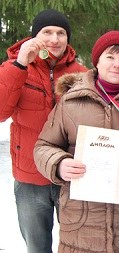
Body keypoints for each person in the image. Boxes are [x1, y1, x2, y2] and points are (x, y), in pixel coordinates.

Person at [33, 30, 119, 252]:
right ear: (97, 61)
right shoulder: (71, 101)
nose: (117, 64)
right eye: (110, 57)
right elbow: (43, 147)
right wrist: (59, 164)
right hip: (80, 224)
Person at [0, 9, 87, 253]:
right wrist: (19, 65)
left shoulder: (81, 74)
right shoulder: (14, 67)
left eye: (61, 33)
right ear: (34, 37)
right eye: (47, 32)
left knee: (74, 245)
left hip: (70, 176)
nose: (55, 39)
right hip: (30, 177)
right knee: (37, 247)